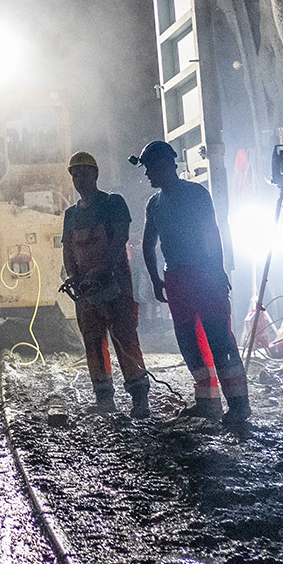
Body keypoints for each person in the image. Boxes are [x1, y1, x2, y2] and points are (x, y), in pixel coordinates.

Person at [134, 140, 248, 430]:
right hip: (177, 279)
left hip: (203, 273)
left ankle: (238, 405)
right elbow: (149, 245)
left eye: (150, 168)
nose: (147, 174)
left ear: (165, 165)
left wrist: (218, 271)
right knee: (188, 340)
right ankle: (208, 401)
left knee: (219, 338)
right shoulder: (154, 203)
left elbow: (213, 233)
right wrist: (156, 279)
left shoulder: (196, 194)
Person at [59, 152, 149, 419]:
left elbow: (119, 238)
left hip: (115, 283)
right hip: (86, 288)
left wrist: (102, 270)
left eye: (84, 174)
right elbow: (68, 249)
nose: (78, 179)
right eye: (74, 175)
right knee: (93, 342)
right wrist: (73, 275)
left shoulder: (112, 204)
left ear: (96, 174)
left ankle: (140, 399)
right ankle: (104, 399)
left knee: (124, 338)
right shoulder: (71, 214)